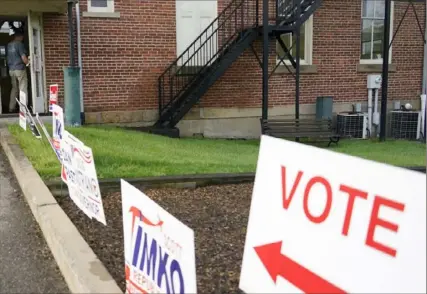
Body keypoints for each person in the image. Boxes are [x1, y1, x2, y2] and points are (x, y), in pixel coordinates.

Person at [7, 27, 29, 113]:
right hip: (19, 69)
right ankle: (23, 109)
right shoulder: (19, 44)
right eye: (22, 37)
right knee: (22, 88)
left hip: (11, 70)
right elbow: (23, 58)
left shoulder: (9, 45)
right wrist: (28, 63)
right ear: (20, 36)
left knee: (14, 89)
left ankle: (11, 107)